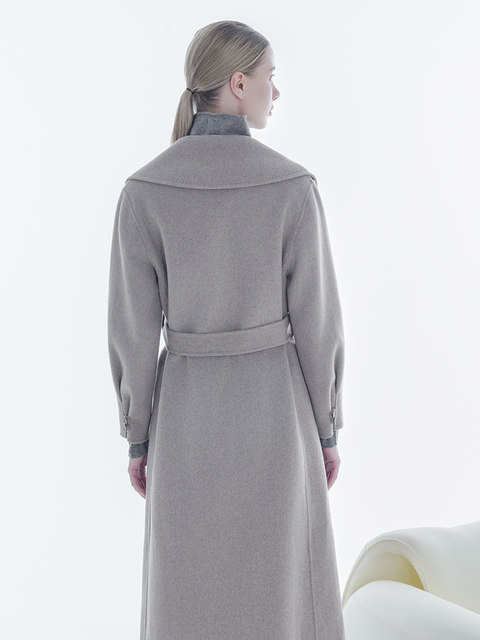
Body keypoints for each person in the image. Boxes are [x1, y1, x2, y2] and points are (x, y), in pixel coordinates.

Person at [108, 19, 346, 640]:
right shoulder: (292, 187)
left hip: (185, 423)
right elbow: (318, 324)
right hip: (277, 418)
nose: (276, 91)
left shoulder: (143, 192)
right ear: (238, 84)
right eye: (270, 77)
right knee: (282, 590)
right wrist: (326, 430)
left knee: (188, 593)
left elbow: (132, 331)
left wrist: (138, 437)